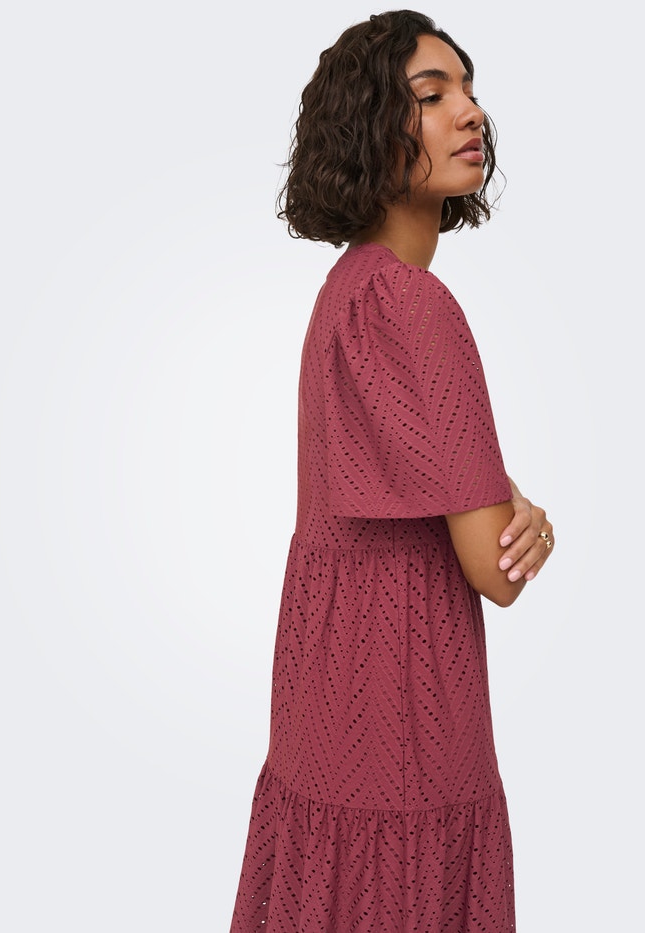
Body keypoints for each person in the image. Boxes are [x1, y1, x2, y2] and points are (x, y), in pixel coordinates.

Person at [230, 10, 554, 932]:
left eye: (470, 91)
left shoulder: (349, 289)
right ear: (370, 127)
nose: (471, 113)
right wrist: (527, 516)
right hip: (405, 693)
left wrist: (497, 495)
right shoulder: (413, 303)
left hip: (327, 682)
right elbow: (496, 566)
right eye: (432, 95)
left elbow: (427, 477)